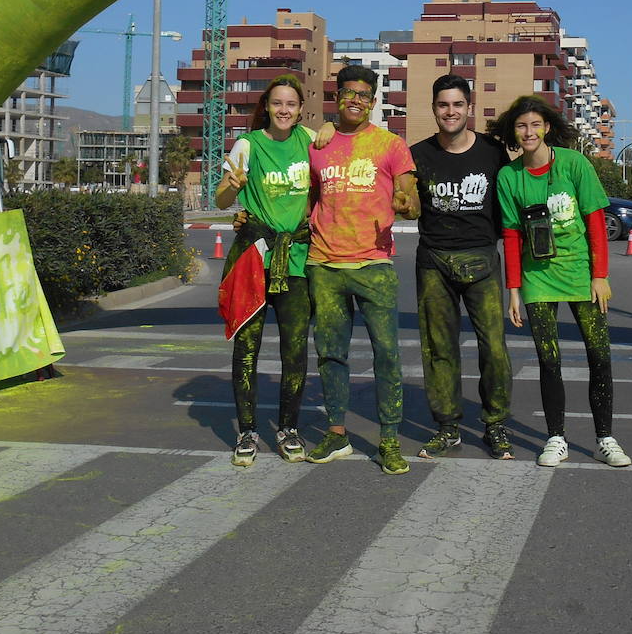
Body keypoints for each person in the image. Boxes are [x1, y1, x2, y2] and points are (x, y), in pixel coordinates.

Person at [488, 95, 630, 468]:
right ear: (513, 132)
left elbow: (597, 222)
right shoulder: (509, 177)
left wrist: (600, 276)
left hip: (581, 274)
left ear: (547, 127)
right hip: (537, 279)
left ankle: (605, 438)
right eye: (521, 126)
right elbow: (512, 235)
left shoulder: (574, 164)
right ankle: (556, 438)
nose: (529, 132)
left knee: (599, 356)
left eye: (535, 124)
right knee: (548, 361)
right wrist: (514, 290)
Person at [304, 65, 420, 474]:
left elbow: (411, 197)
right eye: (347, 93)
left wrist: (406, 203)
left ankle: (389, 440)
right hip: (324, 264)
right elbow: (310, 197)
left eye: (363, 95)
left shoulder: (391, 145)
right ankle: (337, 434)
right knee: (330, 354)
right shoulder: (317, 143)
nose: (355, 100)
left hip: (373, 264)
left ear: (373, 101)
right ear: (336, 98)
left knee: (386, 353)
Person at [410, 74, 514, 461]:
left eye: (457, 105)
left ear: (469, 108)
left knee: (494, 348)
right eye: (442, 105)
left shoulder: (493, 152)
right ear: (433, 108)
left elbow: (509, 205)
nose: (449, 112)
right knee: (439, 347)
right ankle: (447, 426)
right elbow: (399, 199)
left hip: (483, 259)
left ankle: (495, 424)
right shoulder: (418, 155)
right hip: (433, 261)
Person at [214, 74, 315, 467]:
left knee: (295, 352)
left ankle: (289, 428)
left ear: (299, 108)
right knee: (247, 349)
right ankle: (247, 432)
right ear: (266, 107)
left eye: (291, 104)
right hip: (254, 258)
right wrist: (233, 185)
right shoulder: (248, 145)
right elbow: (223, 197)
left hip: (296, 262)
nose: (284, 110)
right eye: (277, 104)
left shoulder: (309, 141)